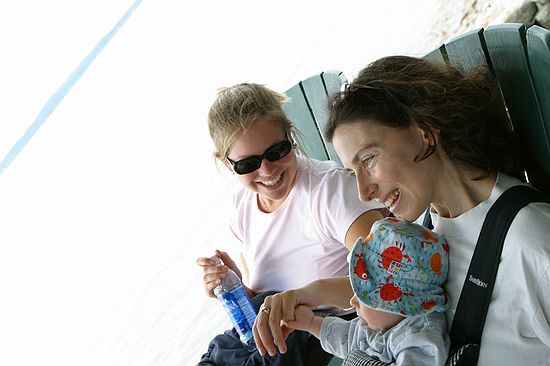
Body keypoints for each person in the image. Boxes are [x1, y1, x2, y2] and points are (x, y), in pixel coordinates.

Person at [252, 56, 550, 366]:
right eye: (354, 173)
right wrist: (312, 295)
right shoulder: (430, 226)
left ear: (423, 131)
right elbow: (398, 295)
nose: (364, 192)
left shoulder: (532, 245)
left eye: (368, 160)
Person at [196, 83, 387, 365]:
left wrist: (307, 295)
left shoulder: (331, 192)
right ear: (227, 164)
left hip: (330, 339)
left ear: (290, 134)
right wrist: (236, 286)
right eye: (247, 164)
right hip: (276, 341)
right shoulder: (242, 207)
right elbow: (265, 297)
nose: (267, 171)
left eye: (277, 151)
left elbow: (390, 280)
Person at [284, 217, 450, 365]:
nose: (353, 301)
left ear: (399, 303)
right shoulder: (382, 323)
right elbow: (349, 338)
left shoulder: (419, 339)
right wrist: (311, 323)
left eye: (365, 295)